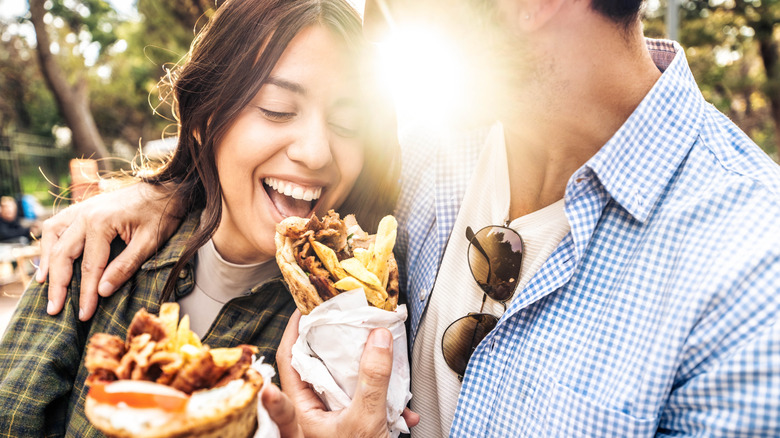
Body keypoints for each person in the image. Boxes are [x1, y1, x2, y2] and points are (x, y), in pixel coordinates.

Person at [39, 0, 780, 436]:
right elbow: (278, 175)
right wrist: (165, 191)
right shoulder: (430, 150)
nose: (387, 26)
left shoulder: (751, 278)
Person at [0, 0, 403, 435]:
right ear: (203, 118)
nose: (316, 152)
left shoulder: (356, 330)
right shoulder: (96, 254)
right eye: (276, 109)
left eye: (347, 123)